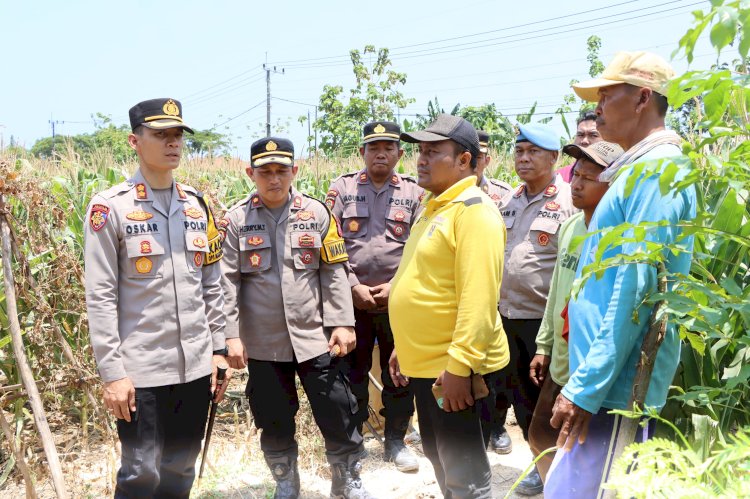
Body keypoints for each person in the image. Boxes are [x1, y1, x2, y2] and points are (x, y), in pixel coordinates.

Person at [546, 51, 696, 497]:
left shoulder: (659, 169)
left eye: (607, 94)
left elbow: (635, 287)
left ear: (642, 98)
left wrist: (586, 389)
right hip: (603, 386)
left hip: (614, 391)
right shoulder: (636, 169)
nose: (597, 105)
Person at [84, 98, 231, 498]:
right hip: (141, 370)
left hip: (195, 366)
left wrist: (218, 350)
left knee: (180, 466)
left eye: (178, 134)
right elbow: (99, 296)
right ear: (135, 141)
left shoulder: (196, 205)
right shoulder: (110, 207)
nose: (173, 143)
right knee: (140, 472)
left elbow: (212, 284)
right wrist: (113, 373)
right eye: (160, 134)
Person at [219, 137, 372, 499]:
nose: (274, 179)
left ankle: (346, 477)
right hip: (262, 341)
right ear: (250, 173)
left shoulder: (316, 213)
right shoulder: (236, 219)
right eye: (265, 172)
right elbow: (226, 281)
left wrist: (343, 322)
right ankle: (286, 480)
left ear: (294, 171)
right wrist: (231, 335)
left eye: (281, 171)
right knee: (273, 416)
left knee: (338, 408)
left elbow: (333, 271)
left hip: (315, 337)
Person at [388, 114, 510, 498]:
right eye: (420, 151)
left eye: (433, 152)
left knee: (465, 476)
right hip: (427, 365)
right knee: (440, 461)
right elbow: (422, 279)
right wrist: (402, 347)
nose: (420, 159)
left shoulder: (473, 211)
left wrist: (459, 367)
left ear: (465, 161)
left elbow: (479, 299)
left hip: (453, 370)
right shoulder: (434, 206)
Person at [325, 121, 423, 473]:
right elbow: (330, 243)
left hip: (399, 301)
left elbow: (423, 247)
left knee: (401, 373)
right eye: (373, 147)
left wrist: (397, 284)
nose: (381, 153)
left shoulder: (415, 193)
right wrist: (352, 285)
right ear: (362, 152)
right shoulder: (342, 188)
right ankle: (354, 441)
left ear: (400, 152)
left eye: (389, 147)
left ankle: (395, 440)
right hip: (352, 301)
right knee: (351, 372)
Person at [527, 140, 623, 484]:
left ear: (614, 184)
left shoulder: (617, 236)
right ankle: (553, 486)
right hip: (562, 359)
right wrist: (544, 345)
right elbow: (557, 292)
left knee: (580, 447)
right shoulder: (570, 227)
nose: (577, 184)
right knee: (540, 434)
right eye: (576, 175)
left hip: (588, 362)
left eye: (589, 178)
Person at [492, 123, 578, 495]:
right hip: (507, 318)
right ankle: (538, 466)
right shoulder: (508, 201)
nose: (523, 159)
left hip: (544, 325)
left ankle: (560, 473)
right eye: (519, 151)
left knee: (548, 404)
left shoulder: (570, 202)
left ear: (553, 158)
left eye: (533, 152)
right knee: (520, 400)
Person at [555, 112, 602, 182]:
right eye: (580, 135)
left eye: (593, 135)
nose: (584, 141)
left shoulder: (615, 175)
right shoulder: (559, 178)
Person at [476, 130, 512, 207]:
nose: (472, 162)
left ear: (486, 161)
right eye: (469, 157)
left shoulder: (503, 192)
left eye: (478, 157)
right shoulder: (451, 190)